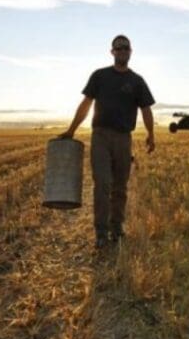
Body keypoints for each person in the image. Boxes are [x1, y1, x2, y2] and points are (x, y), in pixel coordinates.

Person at [59, 34, 156, 249]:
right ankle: (100, 232)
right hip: (101, 136)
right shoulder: (100, 76)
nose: (122, 52)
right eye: (118, 49)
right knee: (102, 184)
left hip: (124, 139)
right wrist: (72, 130)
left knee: (120, 187)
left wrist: (151, 134)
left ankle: (117, 227)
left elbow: (146, 109)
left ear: (130, 52)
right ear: (112, 52)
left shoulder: (137, 81)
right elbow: (86, 104)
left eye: (125, 49)